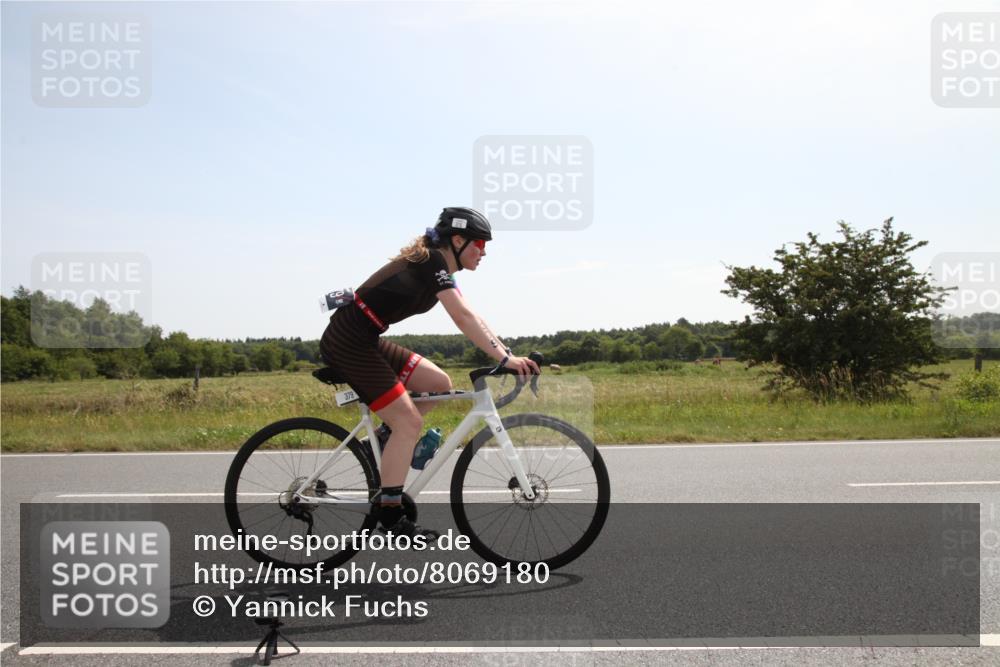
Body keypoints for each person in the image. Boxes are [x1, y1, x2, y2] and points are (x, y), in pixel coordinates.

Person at [319, 206, 539, 538]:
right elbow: (462, 318)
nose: (484, 252)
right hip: (348, 340)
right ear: (458, 239)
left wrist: (506, 353)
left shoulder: (440, 267)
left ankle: (377, 443)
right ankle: (391, 515)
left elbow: (472, 315)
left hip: (365, 337)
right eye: (479, 244)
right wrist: (506, 360)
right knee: (408, 422)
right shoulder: (431, 261)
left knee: (437, 383)